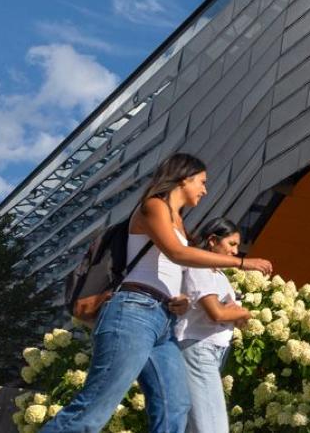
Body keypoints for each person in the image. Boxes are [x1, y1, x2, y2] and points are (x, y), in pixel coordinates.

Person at [42, 153, 274, 433]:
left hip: (164, 321)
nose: (204, 189)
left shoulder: (180, 222)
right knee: (96, 407)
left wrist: (180, 300)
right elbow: (177, 253)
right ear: (184, 178)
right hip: (133, 312)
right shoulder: (153, 206)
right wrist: (241, 262)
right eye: (201, 182)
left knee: (174, 406)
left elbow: (167, 270)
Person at [177, 218, 251, 433]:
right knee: (212, 427)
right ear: (212, 240)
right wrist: (238, 311)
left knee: (197, 425)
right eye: (232, 244)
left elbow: (238, 319)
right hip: (199, 348)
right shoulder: (199, 268)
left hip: (212, 351)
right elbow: (217, 312)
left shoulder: (219, 275)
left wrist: (235, 313)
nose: (236, 251)